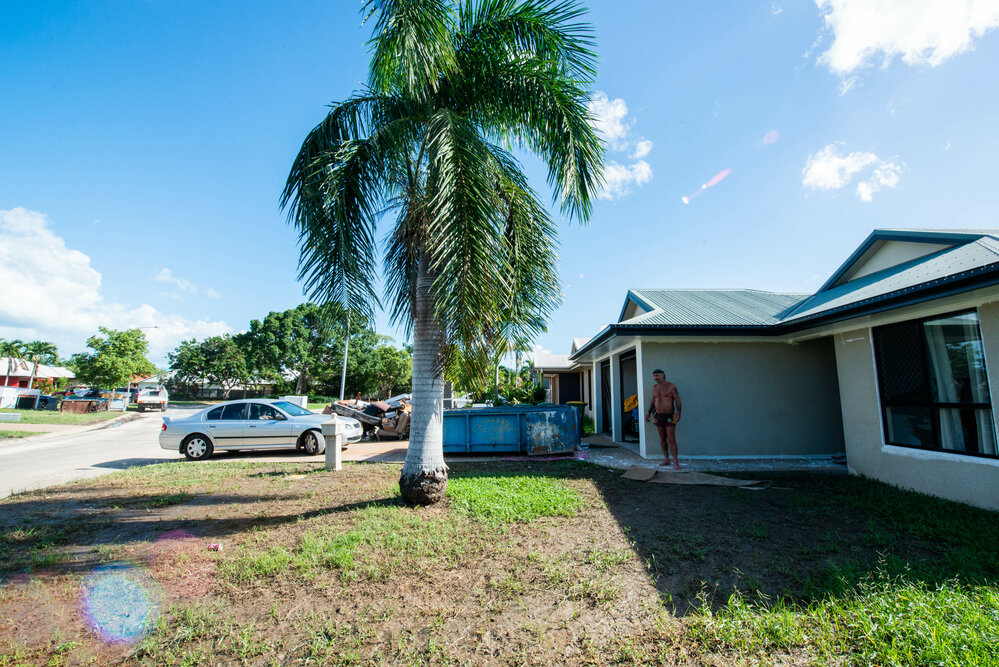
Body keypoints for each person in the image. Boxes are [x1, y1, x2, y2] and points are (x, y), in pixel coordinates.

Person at [645, 368, 682, 469]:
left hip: (670, 416)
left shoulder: (671, 386)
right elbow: (653, 401)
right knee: (662, 439)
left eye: (657, 375)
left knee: (671, 439)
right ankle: (666, 459)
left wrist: (679, 412)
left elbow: (678, 400)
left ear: (662, 375)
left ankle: (675, 461)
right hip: (658, 415)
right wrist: (648, 413)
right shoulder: (654, 388)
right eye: (654, 375)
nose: (655, 377)